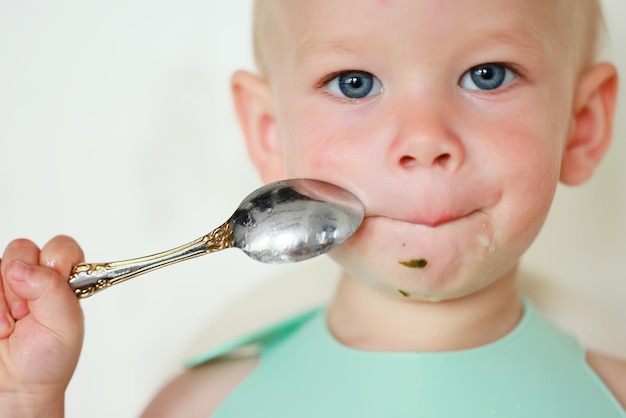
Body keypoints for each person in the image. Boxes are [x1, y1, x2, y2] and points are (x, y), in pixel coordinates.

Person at [1, 0, 625, 416]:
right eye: (355, 82)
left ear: (581, 124)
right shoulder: (197, 408)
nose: (425, 139)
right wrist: (25, 400)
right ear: (271, 134)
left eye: (487, 75)